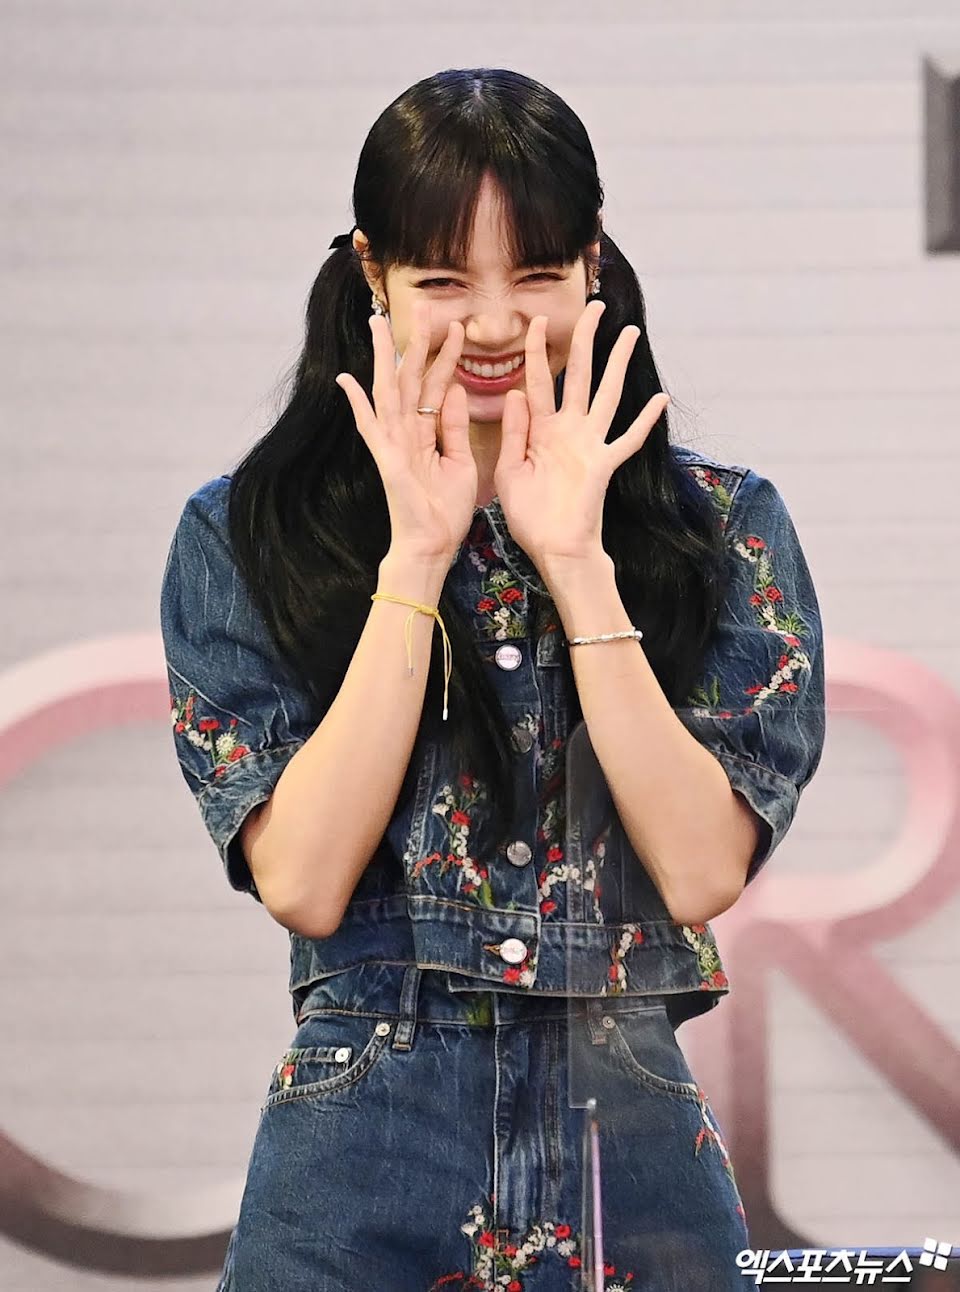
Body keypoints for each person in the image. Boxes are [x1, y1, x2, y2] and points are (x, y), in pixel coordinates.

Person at [160, 67, 825, 1292]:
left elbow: (701, 867)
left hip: (626, 1140)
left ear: (592, 264)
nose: (493, 323)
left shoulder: (724, 528)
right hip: (361, 1150)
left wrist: (577, 564)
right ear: (372, 273)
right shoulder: (247, 532)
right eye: (442, 282)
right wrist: (415, 556)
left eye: (535, 275)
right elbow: (302, 877)